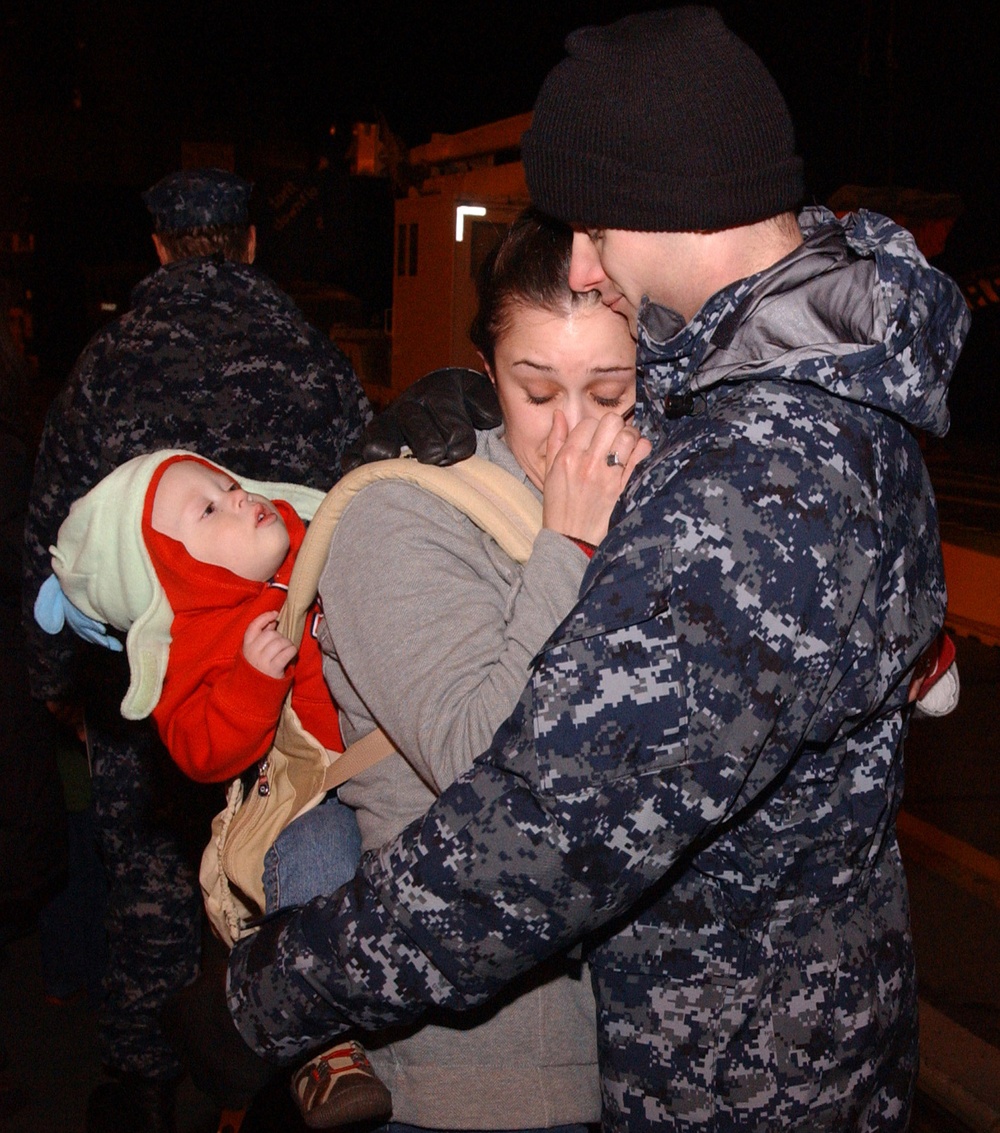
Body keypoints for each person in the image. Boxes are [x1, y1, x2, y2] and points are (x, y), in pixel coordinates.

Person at [227, 9, 971, 1133]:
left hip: (731, 1080)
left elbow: (534, 838)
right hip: (815, 1041)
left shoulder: (748, 480)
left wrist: (275, 988)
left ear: (659, 202)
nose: (581, 260)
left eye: (588, 222)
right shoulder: (835, 393)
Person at [22, 167, 371, 1133]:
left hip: (156, 676)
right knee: (282, 867)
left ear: (161, 247)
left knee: (149, 883)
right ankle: (270, 1072)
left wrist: (57, 678)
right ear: (253, 242)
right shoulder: (311, 355)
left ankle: (141, 1087)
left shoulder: (106, 362)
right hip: (299, 673)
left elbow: (49, 530)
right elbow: (358, 501)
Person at [315, 209, 646, 1133]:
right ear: (488, 371)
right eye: (537, 393)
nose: (572, 433)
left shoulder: (662, 500)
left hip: (629, 1058)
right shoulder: (398, 519)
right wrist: (568, 541)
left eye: (610, 392)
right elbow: (478, 765)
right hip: (475, 1076)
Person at [37, 449, 392, 1128]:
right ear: (173, 571)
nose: (237, 497)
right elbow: (198, 749)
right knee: (314, 861)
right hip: (319, 789)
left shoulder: (307, 531)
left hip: (404, 757)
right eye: (207, 508)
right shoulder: (195, 637)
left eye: (227, 484)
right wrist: (252, 683)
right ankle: (322, 1045)